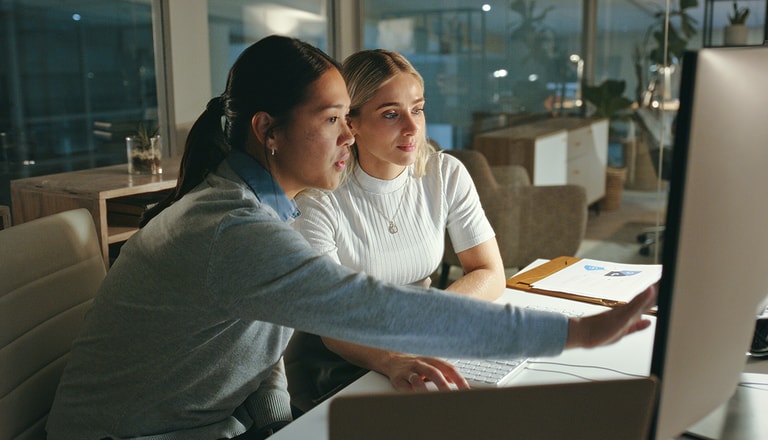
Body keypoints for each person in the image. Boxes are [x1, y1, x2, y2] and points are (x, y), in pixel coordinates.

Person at [46, 35, 656, 440]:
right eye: (333, 119)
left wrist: (283, 431)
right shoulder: (233, 228)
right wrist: (572, 333)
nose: (348, 137)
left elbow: (264, 360)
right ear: (270, 131)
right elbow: (374, 311)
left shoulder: (265, 212)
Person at [286, 49, 506, 410]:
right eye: (391, 114)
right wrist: (393, 358)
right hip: (340, 367)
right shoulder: (320, 199)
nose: (412, 127)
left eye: (417, 109)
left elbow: (490, 271)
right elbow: (331, 323)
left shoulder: (444, 173)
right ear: (350, 123)